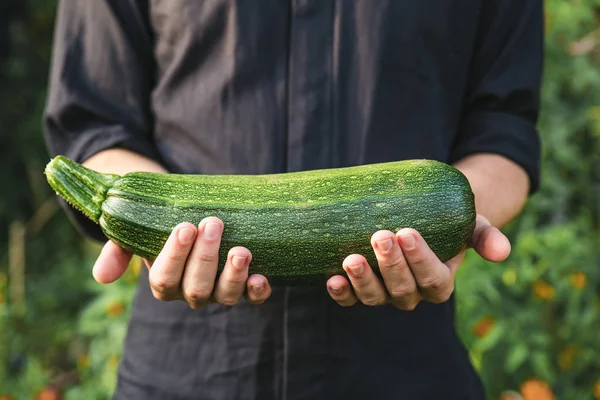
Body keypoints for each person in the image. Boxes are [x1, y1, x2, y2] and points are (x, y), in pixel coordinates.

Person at [43, 1, 543, 399]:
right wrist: (151, 218)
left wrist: (460, 222)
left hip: (406, 368)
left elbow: (504, 129)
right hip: (188, 368)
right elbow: (95, 121)